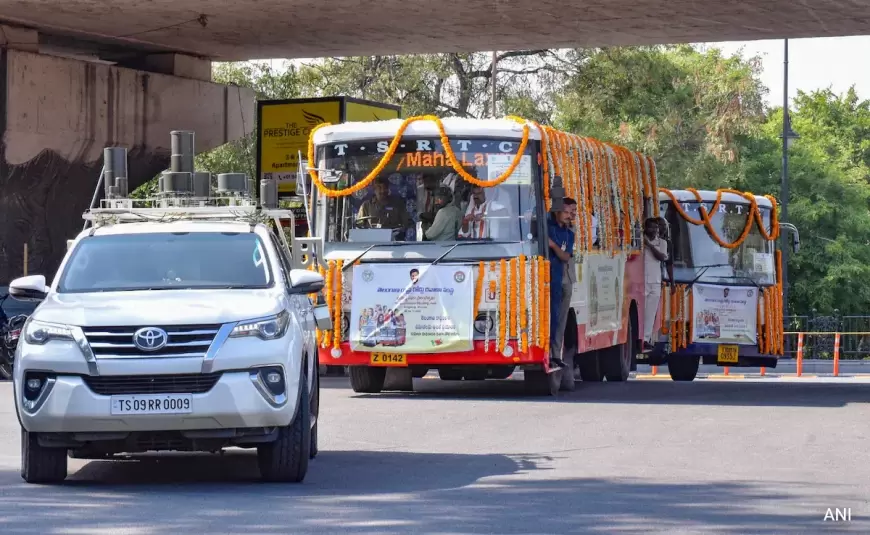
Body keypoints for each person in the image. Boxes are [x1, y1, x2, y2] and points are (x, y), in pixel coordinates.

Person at [548, 197, 578, 387]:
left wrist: (552, 245)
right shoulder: (546, 227)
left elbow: (565, 256)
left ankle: (556, 354)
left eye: (572, 212)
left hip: (562, 279)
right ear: (557, 212)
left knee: (560, 319)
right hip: (548, 279)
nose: (570, 216)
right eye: (567, 212)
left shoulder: (569, 233)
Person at [643, 217, 669, 350]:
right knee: (642, 312)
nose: (654, 230)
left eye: (656, 228)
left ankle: (646, 339)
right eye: (651, 227)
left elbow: (662, 257)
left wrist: (649, 245)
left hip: (655, 281)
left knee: (650, 313)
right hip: (642, 282)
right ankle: (640, 337)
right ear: (645, 228)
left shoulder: (662, 242)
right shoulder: (640, 241)